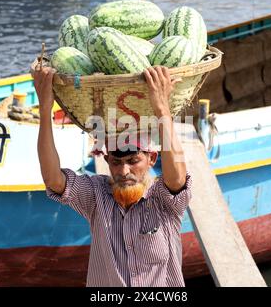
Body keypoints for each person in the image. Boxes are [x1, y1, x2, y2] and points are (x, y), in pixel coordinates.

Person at [33, 65, 192, 287]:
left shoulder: (163, 200)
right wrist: (45, 109)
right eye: (116, 162)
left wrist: (162, 109)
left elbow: (177, 179)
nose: (124, 171)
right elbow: (53, 180)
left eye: (133, 161)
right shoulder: (97, 195)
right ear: (107, 161)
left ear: (151, 159)